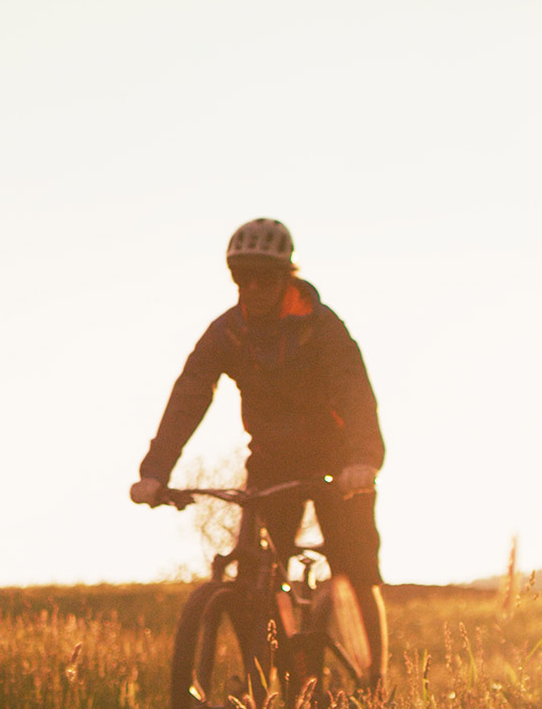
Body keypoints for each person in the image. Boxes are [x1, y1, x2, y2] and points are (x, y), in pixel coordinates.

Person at [130, 217, 388, 681]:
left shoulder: (322, 327)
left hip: (338, 462)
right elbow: (190, 393)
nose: (252, 286)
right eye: (240, 276)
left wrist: (363, 459)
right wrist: (155, 472)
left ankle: (372, 691)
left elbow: (355, 393)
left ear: (286, 275)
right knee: (255, 577)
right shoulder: (228, 332)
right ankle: (268, 688)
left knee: (355, 569)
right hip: (271, 462)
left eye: (264, 277)